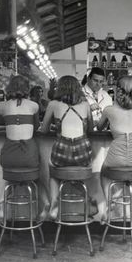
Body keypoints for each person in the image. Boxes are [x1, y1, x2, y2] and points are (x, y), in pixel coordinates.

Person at [0, 75, 50, 222]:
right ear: (27, 89)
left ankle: (0, 202)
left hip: (9, 155)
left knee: (11, 177)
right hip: (28, 154)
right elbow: (36, 128)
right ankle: (46, 203)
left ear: (9, 88)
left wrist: (5, 128)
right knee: (36, 177)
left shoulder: (3, 106)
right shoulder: (34, 106)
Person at [97, 75, 132, 223]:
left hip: (115, 159)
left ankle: (110, 202)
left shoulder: (109, 110)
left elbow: (99, 127)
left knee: (103, 172)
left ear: (118, 91)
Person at [40, 75, 96, 219]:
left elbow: (44, 130)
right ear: (78, 88)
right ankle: (88, 201)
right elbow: (90, 130)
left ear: (60, 88)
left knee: (53, 170)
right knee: (81, 169)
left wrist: (56, 127)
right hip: (83, 154)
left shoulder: (53, 104)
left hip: (61, 152)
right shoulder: (85, 104)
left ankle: (54, 204)